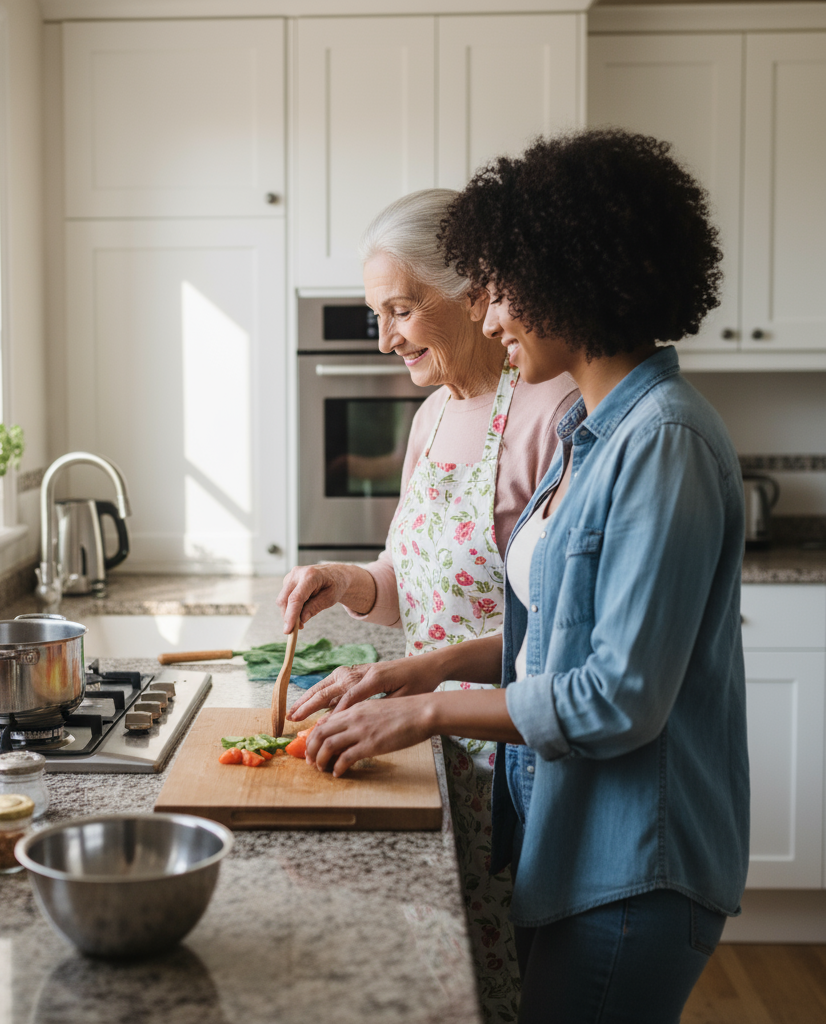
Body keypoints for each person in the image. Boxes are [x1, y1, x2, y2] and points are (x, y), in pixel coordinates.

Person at [290, 129, 749, 1024]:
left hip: (634, 862)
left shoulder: (664, 442)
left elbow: (618, 697)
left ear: (568, 277)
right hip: (567, 835)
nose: (492, 319)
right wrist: (413, 669)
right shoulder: (599, 432)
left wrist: (422, 708)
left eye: (500, 292)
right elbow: (559, 636)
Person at [279, 188, 578, 1018]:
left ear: (474, 292)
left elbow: (553, 628)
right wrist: (347, 582)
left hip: (512, 755)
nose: (385, 339)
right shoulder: (432, 416)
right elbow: (408, 584)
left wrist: (425, 687)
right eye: (378, 314)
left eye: (401, 309)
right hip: (420, 746)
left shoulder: (555, 413)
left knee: (504, 981)